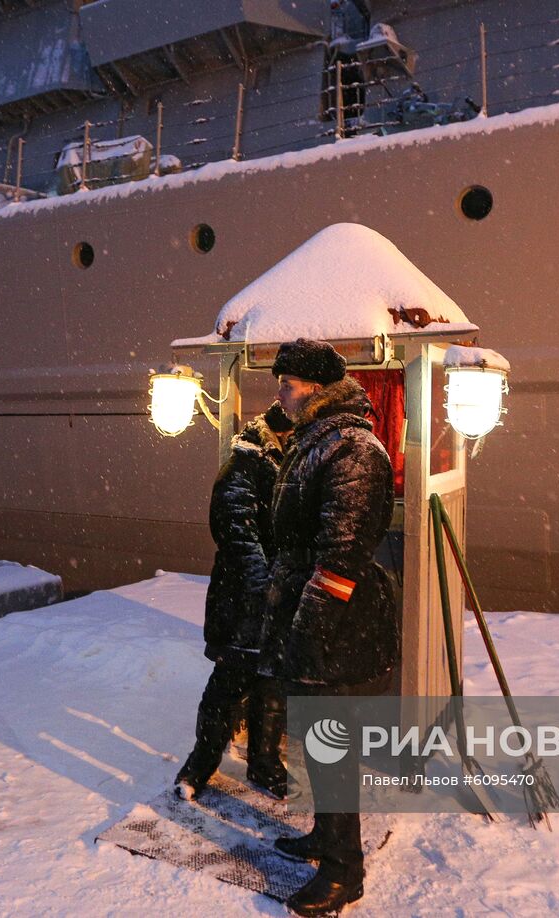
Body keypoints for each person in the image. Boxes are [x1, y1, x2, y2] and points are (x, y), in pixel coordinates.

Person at [259, 338, 399, 916]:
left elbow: (340, 559)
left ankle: (345, 871)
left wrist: (308, 633)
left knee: (331, 744)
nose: (280, 393)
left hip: (332, 625)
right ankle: (326, 837)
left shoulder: (353, 449)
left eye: (286, 383)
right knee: (320, 743)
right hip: (309, 615)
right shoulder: (319, 441)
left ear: (315, 387)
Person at [175, 402, 298, 801]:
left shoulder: (284, 465)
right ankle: (201, 764)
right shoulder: (245, 465)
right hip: (243, 603)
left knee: (271, 683)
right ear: (280, 434)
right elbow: (236, 534)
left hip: (273, 601)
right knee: (227, 686)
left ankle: (264, 764)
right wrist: (266, 585)